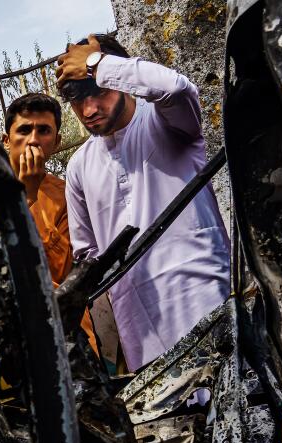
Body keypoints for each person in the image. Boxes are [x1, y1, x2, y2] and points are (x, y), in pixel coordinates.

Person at [57, 34, 230, 371]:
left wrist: (95, 64)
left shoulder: (165, 122)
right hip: (140, 331)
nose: (89, 110)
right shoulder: (79, 167)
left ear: (117, 78)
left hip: (203, 300)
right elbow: (88, 259)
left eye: (99, 92)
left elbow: (177, 89)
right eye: (78, 101)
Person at [1, 92, 98, 352]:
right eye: (24, 130)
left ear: (56, 142)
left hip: (66, 333)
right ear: (6, 140)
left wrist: (30, 195)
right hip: (9, 337)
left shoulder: (68, 194)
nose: (33, 139)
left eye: (43, 131)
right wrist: (25, 195)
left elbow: (61, 273)